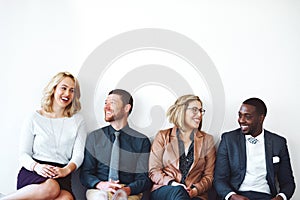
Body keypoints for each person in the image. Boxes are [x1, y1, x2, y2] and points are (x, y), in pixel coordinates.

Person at [1, 72, 87, 200]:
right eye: (63, 88)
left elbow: (78, 155)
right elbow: (23, 154)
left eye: (72, 90)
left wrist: (66, 170)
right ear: (54, 89)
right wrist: (37, 167)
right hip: (35, 171)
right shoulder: (34, 118)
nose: (67, 94)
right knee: (51, 187)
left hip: (62, 173)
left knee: (66, 199)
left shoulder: (78, 121)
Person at [214, 97, 296, 200]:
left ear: (261, 118)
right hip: (237, 195)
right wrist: (231, 196)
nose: (241, 120)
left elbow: (288, 182)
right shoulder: (228, 140)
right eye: (240, 115)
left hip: (265, 196)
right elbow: (219, 179)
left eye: (247, 117)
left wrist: (280, 197)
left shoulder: (278, 143)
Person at [80, 89, 152, 200]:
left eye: (112, 103)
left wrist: (126, 190)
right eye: (105, 103)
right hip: (100, 188)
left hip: (128, 191)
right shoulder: (94, 137)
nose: (106, 107)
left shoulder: (141, 141)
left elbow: (143, 179)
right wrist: (101, 185)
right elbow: (85, 173)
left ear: (126, 108)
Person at [149, 94, 216, 200]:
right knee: (179, 192)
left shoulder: (207, 140)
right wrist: (173, 184)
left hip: (195, 193)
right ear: (181, 111)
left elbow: (209, 176)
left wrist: (195, 190)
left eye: (201, 110)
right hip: (166, 189)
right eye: (194, 110)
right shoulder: (163, 136)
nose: (199, 115)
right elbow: (154, 171)